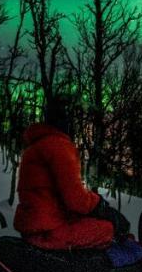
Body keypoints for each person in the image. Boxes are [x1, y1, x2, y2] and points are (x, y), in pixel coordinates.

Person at [12, 98, 128, 250]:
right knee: (108, 229)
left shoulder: (35, 147)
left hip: (34, 228)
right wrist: (100, 206)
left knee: (90, 222)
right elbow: (76, 200)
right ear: (65, 120)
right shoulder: (58, 145)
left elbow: (56, 197)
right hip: (49, 232)